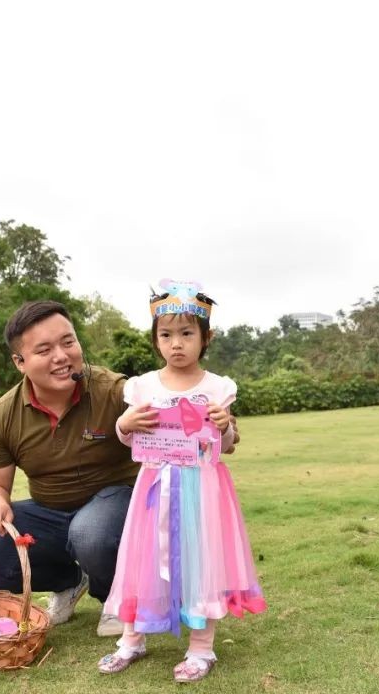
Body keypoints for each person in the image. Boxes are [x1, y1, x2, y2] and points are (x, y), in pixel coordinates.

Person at [98, 280, 266, 682]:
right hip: (154, 488)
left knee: (202, 561)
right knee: (143, 560)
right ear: (156, 340)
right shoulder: (142, 387)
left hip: (202, 492)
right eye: (166, 335)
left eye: (187, 334)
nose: (177, 344)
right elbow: (129, 438)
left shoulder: (217, 388)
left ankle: (202, 649)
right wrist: (125, 423)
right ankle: (131, 640)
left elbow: (225, 446)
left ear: (205, 338)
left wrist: (225, 427)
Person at [0, 300, 135, 637]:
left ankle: (115, 597)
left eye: (68, 342)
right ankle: (69, 582)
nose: (61, 356)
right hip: (52, 513)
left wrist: (218, 427)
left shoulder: (114, 391)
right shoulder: (4, 414)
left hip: (117, 505)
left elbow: (168, 403)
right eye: (44, 349)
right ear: (20, 362)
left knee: (90, 532)